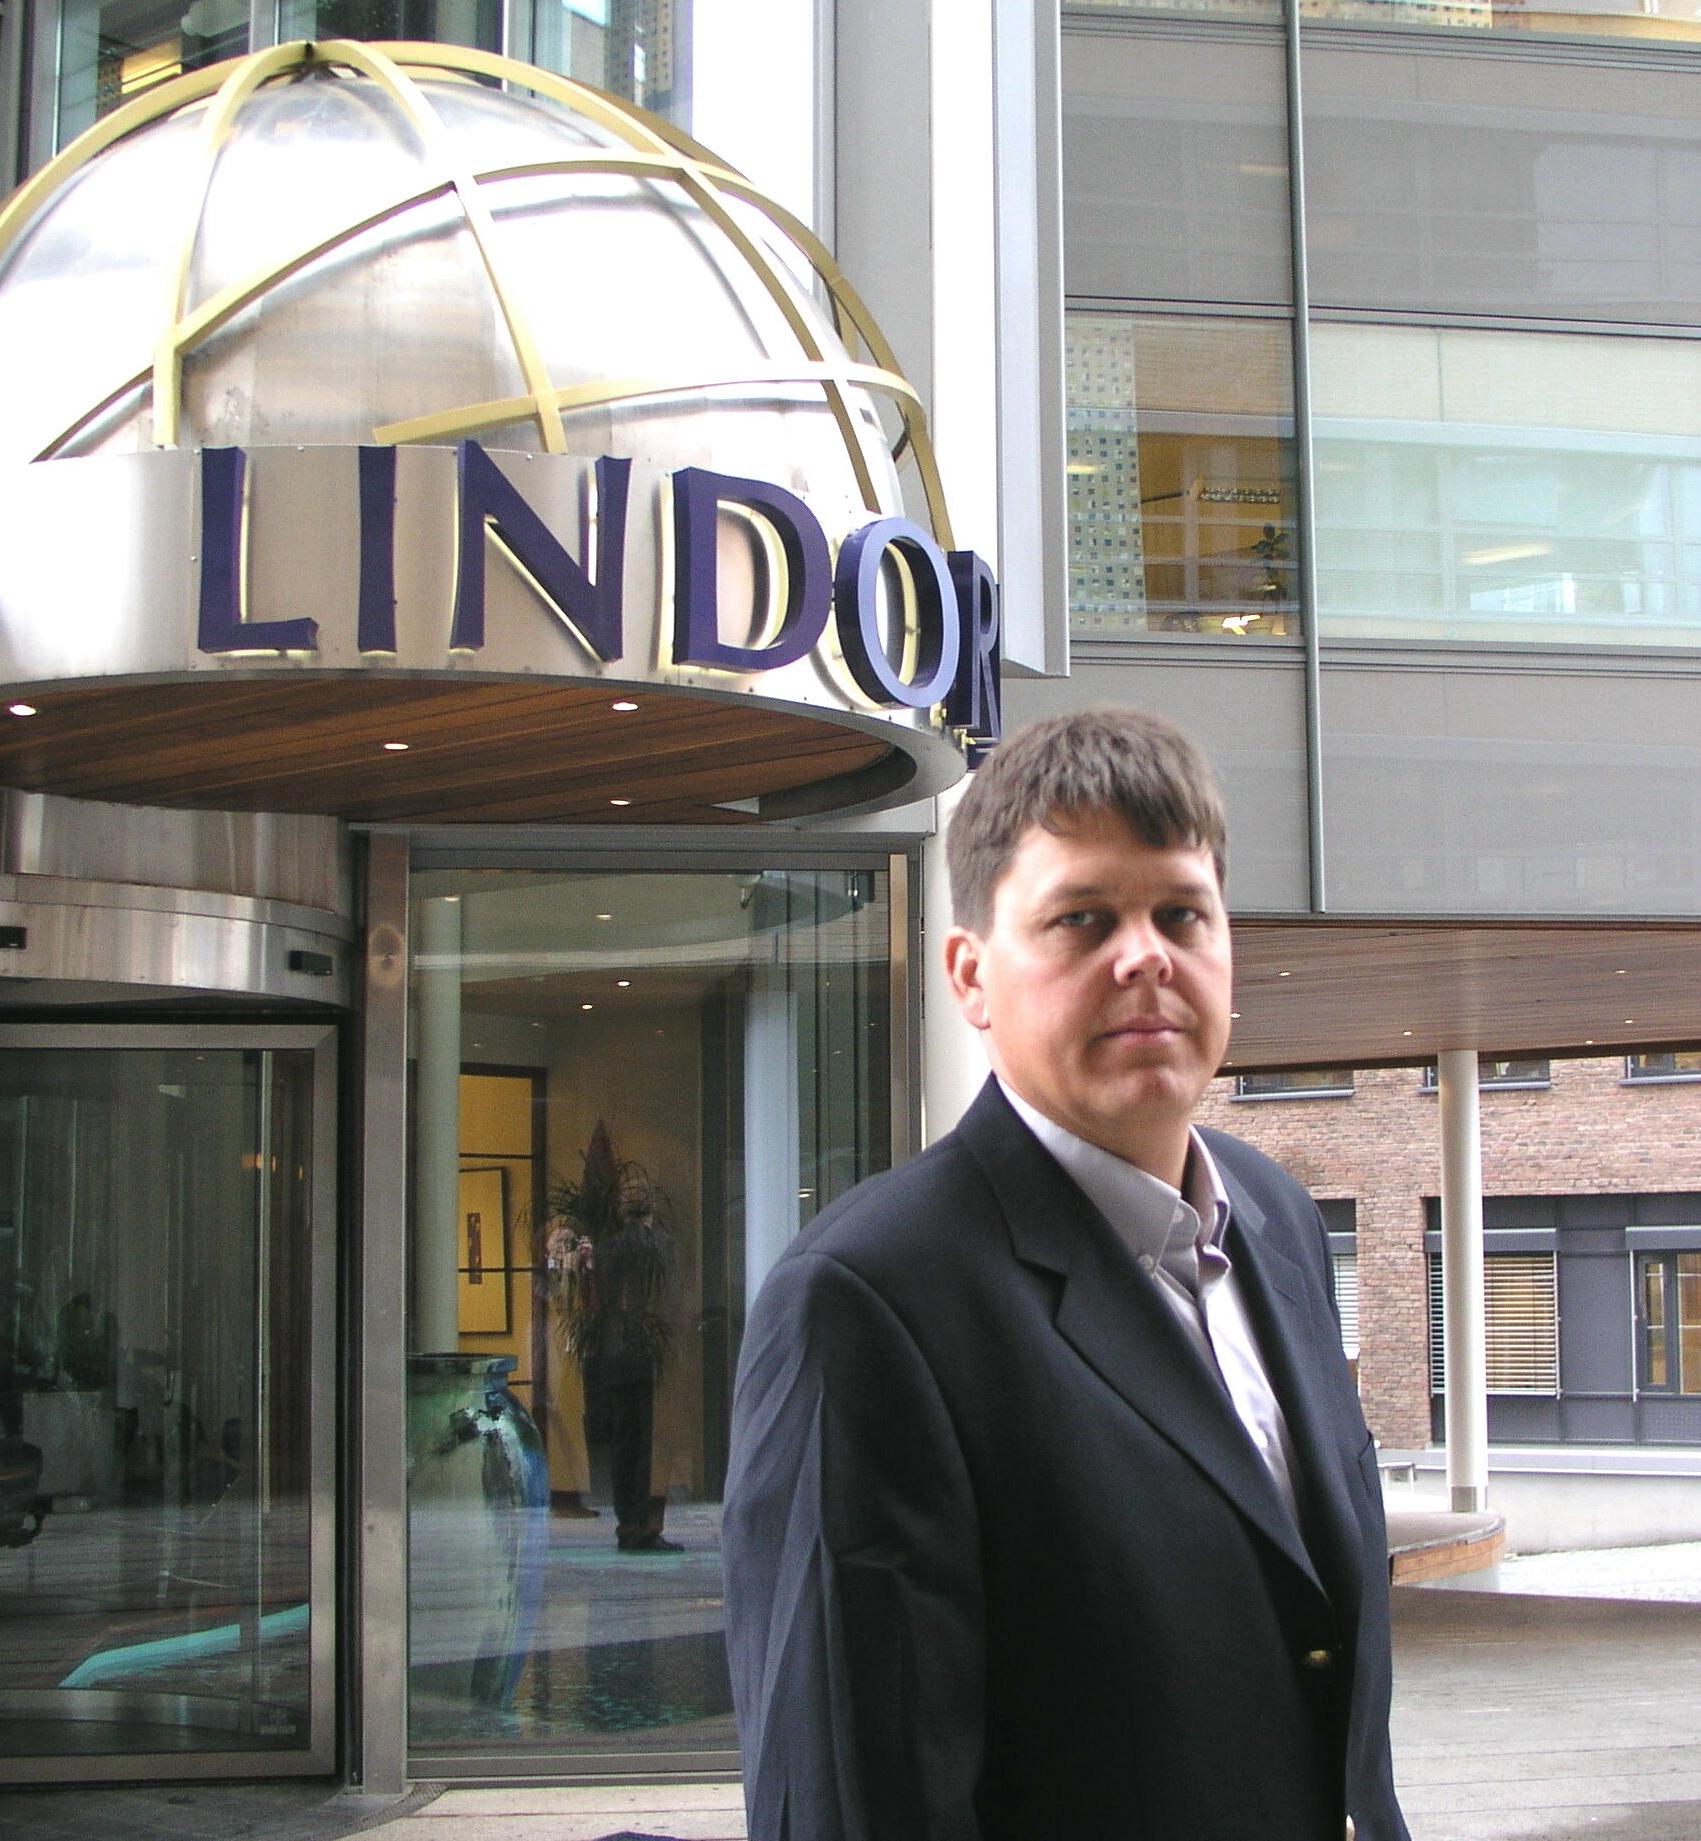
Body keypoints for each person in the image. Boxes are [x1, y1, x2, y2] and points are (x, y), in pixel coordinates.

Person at [721, 706, 1409, 1841]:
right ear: (970, 975)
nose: (1145, 954)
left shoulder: (1278, 1218)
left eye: (1180, 912)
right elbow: (852, 1794)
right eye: (1082, 918)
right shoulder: (866, 1302)